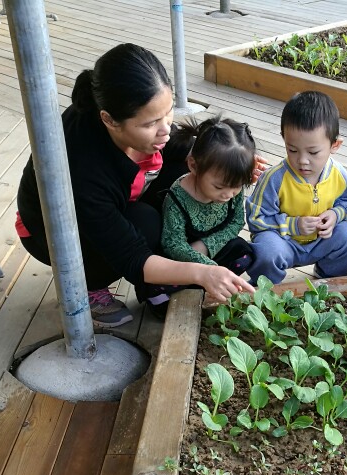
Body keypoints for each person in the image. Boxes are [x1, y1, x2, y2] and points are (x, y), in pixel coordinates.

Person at [16, 43, 253, 329]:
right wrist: (201, 273)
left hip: (116, 195)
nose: (165, 128)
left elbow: (179, 146)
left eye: (168, 112)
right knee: (146, 225)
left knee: (194, 172)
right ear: (109, 120)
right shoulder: (83, 168)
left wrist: (227, 164)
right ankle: (90, 286)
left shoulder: (128, 114)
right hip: (51, 233)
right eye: (151, 123)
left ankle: (172, 261)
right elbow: (131, 256)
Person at [246, 91, 347, 285]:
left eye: (313, 152)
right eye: (292, 150)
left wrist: (336, 215)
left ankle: (329, 279)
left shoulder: (338, 175)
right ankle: (265, 287)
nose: (302, 160)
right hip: (284, 244)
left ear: (335, 145)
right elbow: (256, 219)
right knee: (265, 250)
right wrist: (294, 225)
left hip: (322, 243)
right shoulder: (274, 179)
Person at [150, 116, 256, 314]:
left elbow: (236, 222)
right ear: (194, 166)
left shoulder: (232, 184)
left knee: (244, 252)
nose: (228, 194)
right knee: (158, 295)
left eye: (237, 187)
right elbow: (172, 244)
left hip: (211, 252)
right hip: (182, 260)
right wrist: (208, 268)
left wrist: (206, 246)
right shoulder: (178, 197)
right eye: (219, 187)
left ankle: (207, 289)